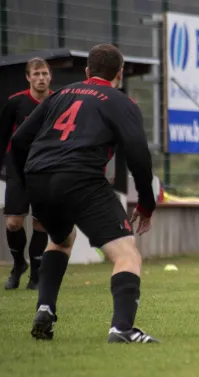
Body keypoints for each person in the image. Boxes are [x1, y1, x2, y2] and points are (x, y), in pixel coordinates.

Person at [10, 44, 159, 343]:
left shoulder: (60, 95)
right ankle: (122, 329)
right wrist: (146, 203)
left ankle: (45, 309)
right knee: (127, 254)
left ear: (87, 71)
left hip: (39, 176)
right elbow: (138, 154)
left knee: (61, 240)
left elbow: (19, 138)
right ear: (119, 74)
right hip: (81, 178)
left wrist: (28, 185)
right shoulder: (121, 101)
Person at [0, 58, 52, 290]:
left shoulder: (59, 101)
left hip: (47, 169)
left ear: (50, 76)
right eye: (36, 74)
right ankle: (19, 264)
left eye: (45, 74)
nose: (41, 78)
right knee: (13, 223)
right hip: (18, 170)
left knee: (41, 223)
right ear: (28, 77)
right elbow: (2, 138)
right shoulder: (15, 103)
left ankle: (36, 275)